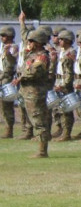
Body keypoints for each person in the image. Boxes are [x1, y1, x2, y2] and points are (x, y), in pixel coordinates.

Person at [17, 19, 53, 158]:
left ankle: (42, 151)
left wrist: (21, 77)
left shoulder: (42, 57)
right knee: (33, 119)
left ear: (37, 43)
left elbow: (33, 72)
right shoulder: (31, 53)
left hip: (35, 92)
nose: (28, 43)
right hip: (28, 91)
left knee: (39, 120)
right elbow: (24, 35)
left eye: (31, 41)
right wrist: (21, 22)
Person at [0, 24, 17, 138]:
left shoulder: (13, 47)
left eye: (4, 35)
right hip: (2, 76)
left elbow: (13, 62)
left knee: (7, 104)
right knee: (2, 105)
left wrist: (8, 53)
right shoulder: (2, 47)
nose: (2, 37)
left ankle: (9, 129)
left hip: (8, 78)